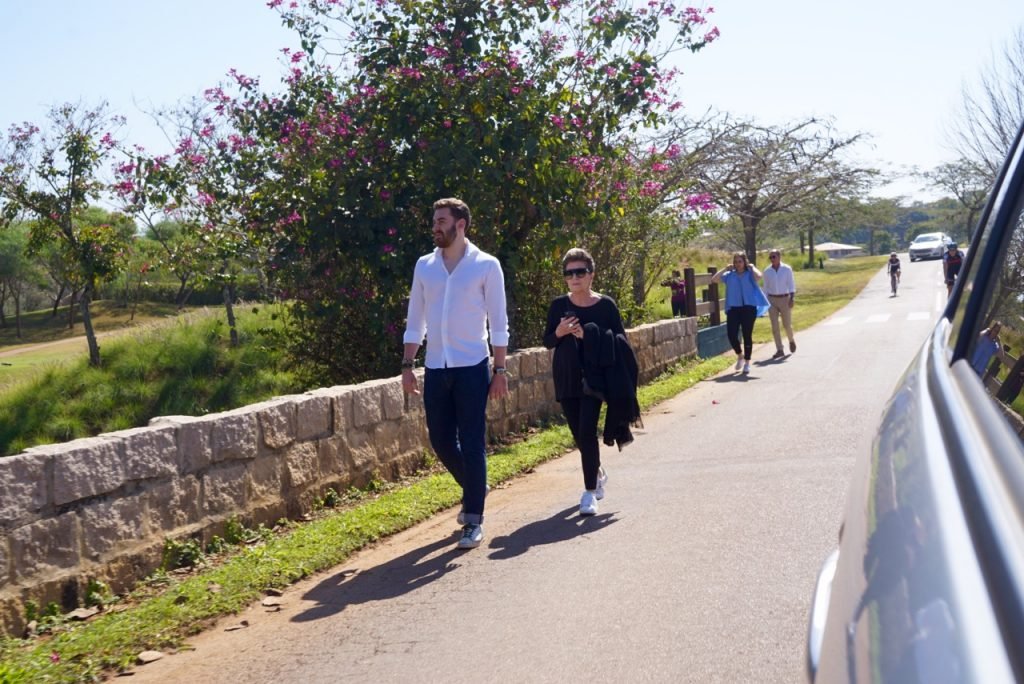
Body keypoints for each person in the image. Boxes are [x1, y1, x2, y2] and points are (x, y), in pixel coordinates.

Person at [402, 198, 509, 550]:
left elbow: (499, 323)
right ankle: (475, 486)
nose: (435, 226)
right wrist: (407, 365)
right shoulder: (425, 266)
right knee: (442, 440)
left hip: (472, 368)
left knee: (473, 440)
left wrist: (500, 369)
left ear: (460, 224)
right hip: (435, 368)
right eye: (434, 220)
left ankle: (473, 518)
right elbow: (415, 318)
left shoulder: (486, 265)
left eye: (441, 220)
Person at [543, 248, 640, 517]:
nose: (574, 277)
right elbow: (547, 341)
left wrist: (589, 335)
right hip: (566, 375)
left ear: (591, 275)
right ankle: (595, 470)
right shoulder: (558, 306)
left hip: (596, 378)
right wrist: (561, 332)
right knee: (578, 434)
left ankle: (589, 493)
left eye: (580, 272)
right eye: (569, 273)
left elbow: (621, 342)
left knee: (587, 432)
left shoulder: (606, 305)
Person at [711, 251, 769, 374]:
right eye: (736, 262)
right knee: (731, 334)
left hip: (749, 308)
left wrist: (752, 267)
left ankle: (747, 362)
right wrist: (724, 269)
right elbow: (714, 279)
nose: (737, 264)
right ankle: (740, 355)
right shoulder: (729, 275)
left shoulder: (750, 274)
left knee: (747, 335)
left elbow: (759, 276)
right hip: (733, 308)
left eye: (740, 261)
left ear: (744, 262)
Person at [760, 248, 797, 359]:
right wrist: (765, 303)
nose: (772, 259)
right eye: (770, 257)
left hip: (785, 299)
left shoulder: (787, 269)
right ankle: (779, 349)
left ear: (779, 257)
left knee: (787, 325)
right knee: (775, 326)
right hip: (772, 300)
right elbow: (765, 288)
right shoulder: (767, 271)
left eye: (774, 256)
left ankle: (791, 340)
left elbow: (791, 284)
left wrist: (792, 298)